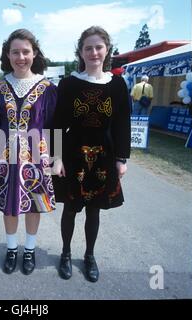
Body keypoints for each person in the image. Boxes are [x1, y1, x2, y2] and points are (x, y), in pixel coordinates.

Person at [52, 26, 130, 282]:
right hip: (73, 152)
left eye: (98, 47)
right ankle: (65, 253)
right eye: (88, 47)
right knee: (71, 209)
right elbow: (56, 123)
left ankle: (89, 255)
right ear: (81, 52)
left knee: (94, 210)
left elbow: (121, 124)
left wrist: (121, 158)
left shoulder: (117, 85)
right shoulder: (69, 83)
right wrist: (57, 156)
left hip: (104, 155)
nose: (94, 52)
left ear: (106, 50)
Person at [0, 29, 57, 275]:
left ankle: (29, 249)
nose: (20, 57)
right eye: (15, 51)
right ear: (8, 54)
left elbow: (53, 125)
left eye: (25, 51)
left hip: (37, 156)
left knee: (34, 205)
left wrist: (55, 158)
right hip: (6, 156)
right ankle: (11, 249)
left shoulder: (47, 87)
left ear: (34, 53)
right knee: (9, 205)